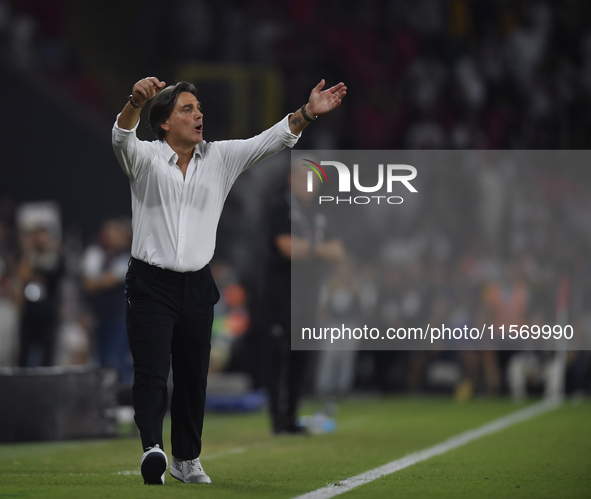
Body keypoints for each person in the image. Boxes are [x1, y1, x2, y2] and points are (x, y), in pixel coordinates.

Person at [112, 76, 346, 485]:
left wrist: (306, 114)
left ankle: (186, 460)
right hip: (150, 284)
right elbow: (121, 137)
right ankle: (153, 448)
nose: (198, 114)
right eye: (187, 109)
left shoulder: (219, 157)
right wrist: (133, 102)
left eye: (198, 108)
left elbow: (269, 140)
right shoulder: (144, 159)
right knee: (151, 371)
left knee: (192, 375)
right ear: (164, 122)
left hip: (197, 285)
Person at [264, 165, 345, 435]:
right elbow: (286, 248)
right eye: (306, 178)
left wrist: (306, 249)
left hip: (309, 295)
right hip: (281, 295)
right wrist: (317, 250)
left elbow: (337, 251)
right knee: (278, 356)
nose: (312, 184)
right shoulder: (279, 209)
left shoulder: (321, 212)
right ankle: (277, 418)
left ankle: (292, 416)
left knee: (302, 355)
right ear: (291, 179)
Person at [81, 219, 133, 384]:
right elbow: (88, 284)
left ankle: (122, 399)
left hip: (119, 317)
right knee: (100, 360)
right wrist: (101, 282)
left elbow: (110, 280)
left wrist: (98, 281)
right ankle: (103, 401)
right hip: (98, 315)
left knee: (118, 358)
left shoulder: (127, 256)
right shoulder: (95, 253)